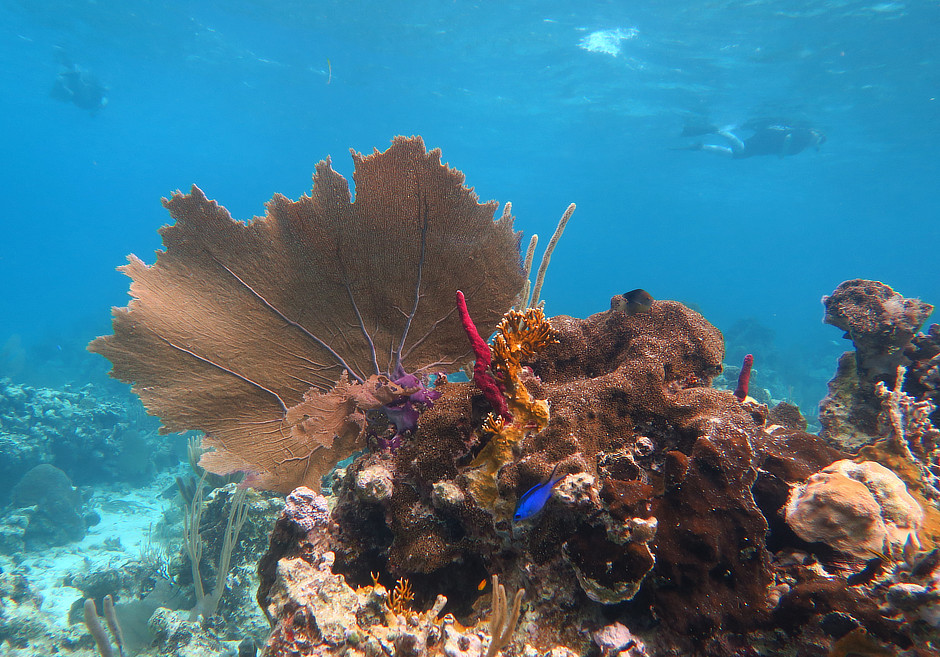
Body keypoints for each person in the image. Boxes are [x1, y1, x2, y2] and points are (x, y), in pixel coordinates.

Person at [679, 119, 825, 158]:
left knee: (735, 154)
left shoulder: (803, 144)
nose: (815, 143)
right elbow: (788, 137)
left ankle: (701, 147)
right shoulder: (806, 134)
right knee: (741, 149)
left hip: (765, 144)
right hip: (767, 140)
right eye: (818, 140)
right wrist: (783, 153)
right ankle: (718, 131)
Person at [50, 47, 108, 113]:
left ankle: (61, 54)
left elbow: (70, 97)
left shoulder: (85, 102)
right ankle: (61, 54)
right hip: (78, 87)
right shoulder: (93, 96)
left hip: (76, 88)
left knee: (70, 73)